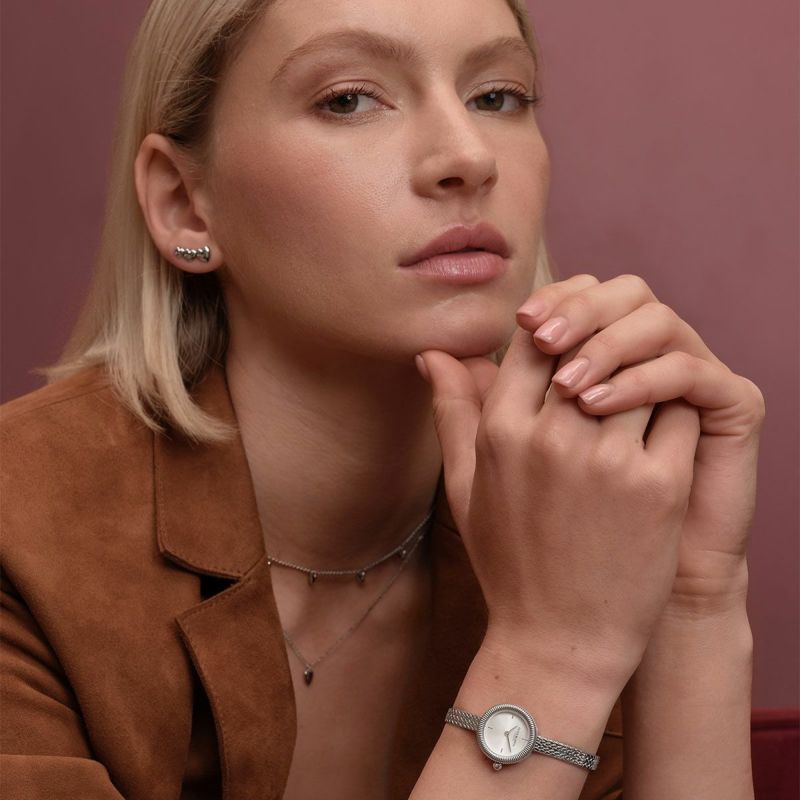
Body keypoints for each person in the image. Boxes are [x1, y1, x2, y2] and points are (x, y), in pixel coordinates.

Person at [0, 0, 764, 798]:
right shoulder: (23, 531)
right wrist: (550, 655)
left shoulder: (592, 512)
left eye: (496, 96)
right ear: (184, 202)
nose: (468, 156)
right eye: (348, 99)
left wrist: (694, 604)